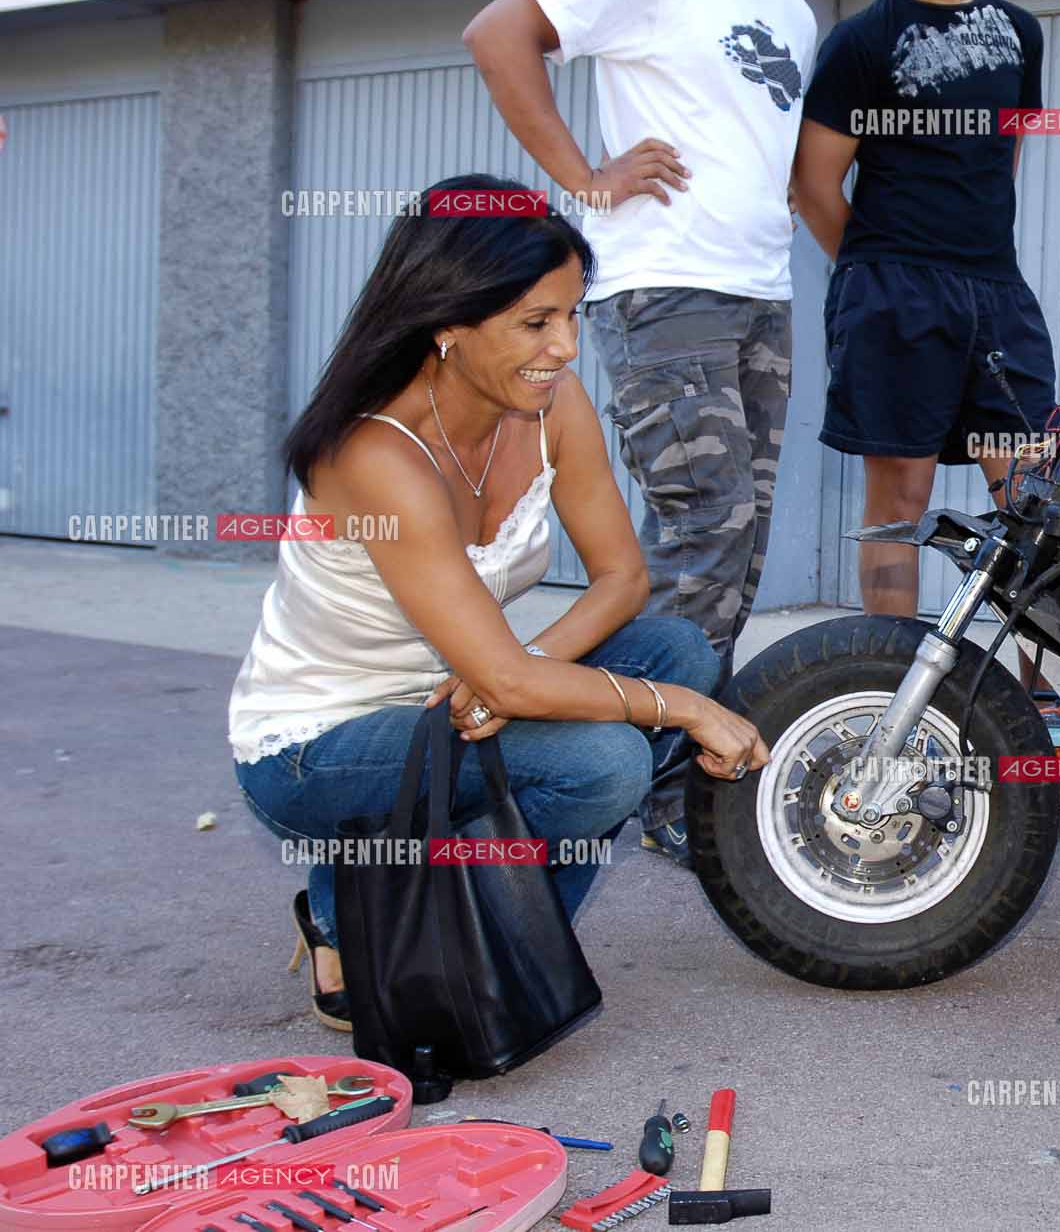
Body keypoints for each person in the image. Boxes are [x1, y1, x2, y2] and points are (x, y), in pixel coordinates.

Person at [230, 177, 766, 1031]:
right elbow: (529, 688)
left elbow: (623, 578)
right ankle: (366, 915)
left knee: (675, 649)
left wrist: (517, 675)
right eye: (534, 321)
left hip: (452, 695)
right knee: (605, 762)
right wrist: (679, 711)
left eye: (570, 316)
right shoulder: (376, 454)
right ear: (447, 322)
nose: (562, 346)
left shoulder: (548, 404)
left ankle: (486, 928)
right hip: (319, 741)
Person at [462, 0, 815, 862]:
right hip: (665, 291)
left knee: (731, 551)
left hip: (760, 291)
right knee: (695, 529)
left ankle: (670, 766)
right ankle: (621, 770)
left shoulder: (791, 8)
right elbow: (499, 31)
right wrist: (583, 175)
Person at [792, 0, 1054, 618]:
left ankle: (1039, 694)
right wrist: (878, 268)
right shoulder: (861, 41)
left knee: (1034, 495)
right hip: (894, 292)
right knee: (897, 502)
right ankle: (888, 683)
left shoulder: (1020, 31)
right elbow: (812, 184)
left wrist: (969, 253)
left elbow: (1003, 156)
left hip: (997, 291)